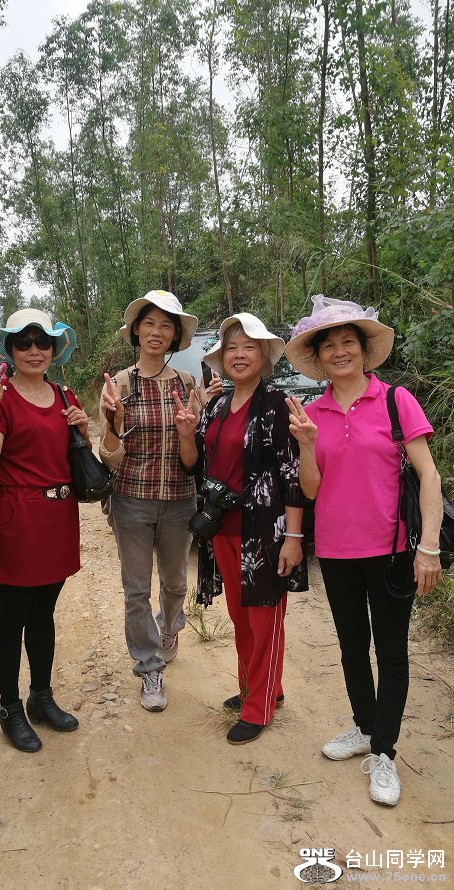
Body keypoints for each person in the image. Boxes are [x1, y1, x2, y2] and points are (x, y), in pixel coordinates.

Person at [285, 295, 443, 806]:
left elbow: (428, 475)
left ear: (363, 349)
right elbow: (310, 490)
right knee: (352, 647)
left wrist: (429, 548)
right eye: (328, 345)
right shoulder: (311, 413)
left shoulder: (396, 401)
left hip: (393, 550)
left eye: (347, 341)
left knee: (391, 652)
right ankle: (365, 726)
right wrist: (306, 444)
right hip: (336, 551)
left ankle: (385, 752)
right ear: (318, 357)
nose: (339, 351)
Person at [176, 313, 307, 745]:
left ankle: (258, 707)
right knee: (241, 615)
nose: (238, 354)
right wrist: (186, 434)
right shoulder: (217, 405)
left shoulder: (276, 404)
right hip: (224, 528)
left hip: (265, 531)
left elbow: (292, 475)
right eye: (231, 347)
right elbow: (195, 464)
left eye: (248, 346)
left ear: (264, 355)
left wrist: (294, 538)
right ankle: (259, 686)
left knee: (264, 617)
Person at [0, 308, 86, 753]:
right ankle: (10, 708)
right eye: (24, 342)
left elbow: (74, 456)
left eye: (43, 342)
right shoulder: (1, 398)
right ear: (9, 349)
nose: (34, 350)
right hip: (18, 517)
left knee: (44, 613)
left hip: (58, 516)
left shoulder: (63, 394)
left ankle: (41, 696)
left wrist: (83, 428)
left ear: (55, 349)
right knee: (13, 615)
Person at [100, 290, 200, 712]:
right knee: (136, 589)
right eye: (149, 324)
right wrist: (113, 424)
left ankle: (170, 626)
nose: (156, 332)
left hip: (180, 499)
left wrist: (188, 433)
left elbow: (193, 459)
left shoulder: (188, 384)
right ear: (136, 332)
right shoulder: (119, 384)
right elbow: (108, 456)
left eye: (166, 325)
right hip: (131, 500)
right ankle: (148, 666)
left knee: (175, 583)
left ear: (175, 335)